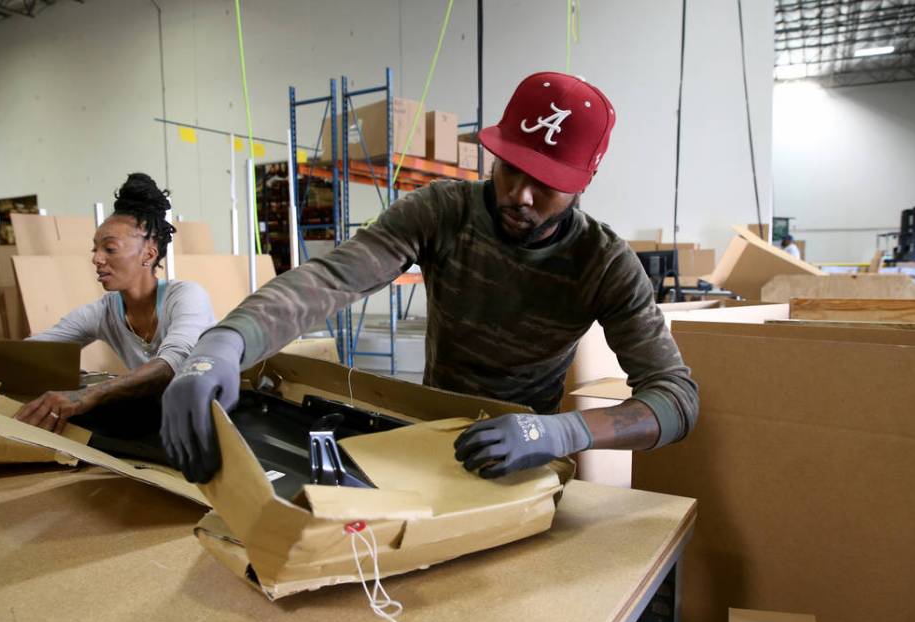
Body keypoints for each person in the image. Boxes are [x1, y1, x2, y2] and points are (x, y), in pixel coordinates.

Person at [162, 72, 699, 483]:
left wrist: (564, 431)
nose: (520, 196)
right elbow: (331, 279)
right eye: (510, 169)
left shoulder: (603, 263)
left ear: (583, 183)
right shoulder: (443, 212)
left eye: (546, 184)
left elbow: (676, 400)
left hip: (527, 450)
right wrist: (226, 342)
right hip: (431, 430)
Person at [15, 173, 215, 434]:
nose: (97, 259)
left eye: (109, 249)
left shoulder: (187, 296)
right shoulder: (104, 311)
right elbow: (37, 350)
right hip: (161, 417)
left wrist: (89, 395)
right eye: (95, 249)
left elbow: (173, 363)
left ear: (148, 254)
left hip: (212, 416)